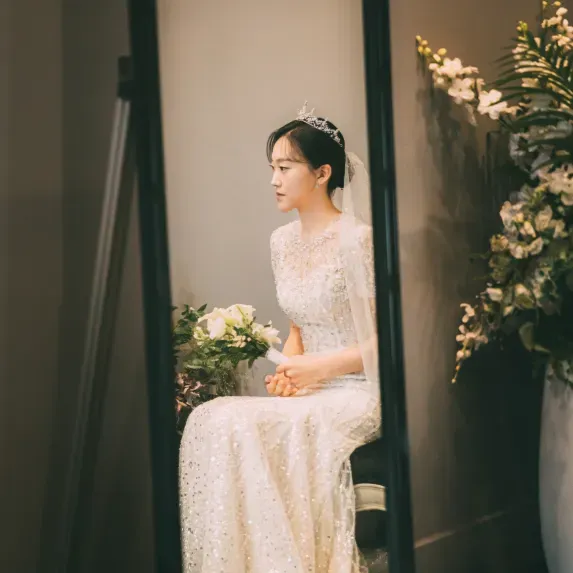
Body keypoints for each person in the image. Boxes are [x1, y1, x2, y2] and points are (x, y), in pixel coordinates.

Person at [179, 104, 381, 573]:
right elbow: (297, 329)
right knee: (211, 417)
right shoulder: (281, 242)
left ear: (322, 173)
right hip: (312, 388)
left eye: (286, 168)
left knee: (240, 424)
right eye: (272, 168)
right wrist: (289, 375)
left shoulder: (359, 240)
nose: (274, 179)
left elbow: (387, 344)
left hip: (360, 391)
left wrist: (318, 369)